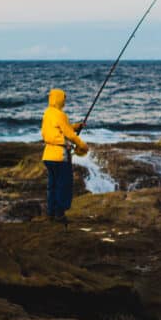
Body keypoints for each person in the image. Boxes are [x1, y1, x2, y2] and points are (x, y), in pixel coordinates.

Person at [40, 89, 89, 222]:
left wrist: (76, 126)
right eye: (64, 99)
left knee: (52, 186)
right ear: (59, 99)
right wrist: (82, 145)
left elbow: (60, 129)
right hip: (60, 156)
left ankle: (51, 212)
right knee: (64, 185)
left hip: (48, 156)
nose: (65, 101)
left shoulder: (47, 113)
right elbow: (70, 135)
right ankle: (60, 214)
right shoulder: (60, 114)